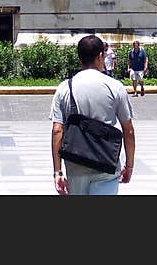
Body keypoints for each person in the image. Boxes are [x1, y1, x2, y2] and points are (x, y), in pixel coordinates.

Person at [49, 35, 135, 195]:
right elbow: (128, 131)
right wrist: (129, 165)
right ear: (100, 56)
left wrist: (57, 171)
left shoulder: (64, 88)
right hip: (106, 162)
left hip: (76, 163)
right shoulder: (115, 87)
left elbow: (57, 130)